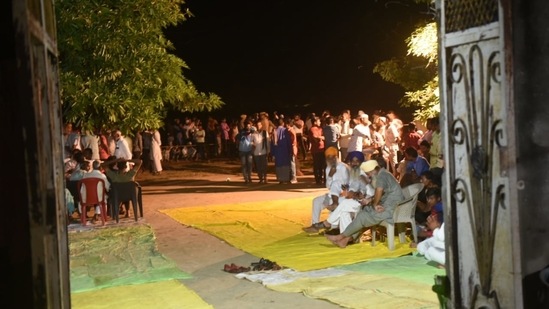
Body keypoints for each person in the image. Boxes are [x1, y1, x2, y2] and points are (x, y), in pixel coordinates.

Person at [325, 159, 405, 247]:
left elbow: (379, 191)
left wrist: (374, 204)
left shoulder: (381, 177)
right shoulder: (383, 173)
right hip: (390, 205)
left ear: (372, 170)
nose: (368, 176)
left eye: (368, 174)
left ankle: (341, 236)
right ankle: (346, 239)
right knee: (364, 210)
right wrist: (370, 200)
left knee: (363, 217)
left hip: (392, 208)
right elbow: (381, 193)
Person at [303, 151, 372, 234]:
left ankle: (328, 225)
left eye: (357, 161)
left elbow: (365, 192)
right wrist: (331, 177)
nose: (354, 163)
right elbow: (333, 186)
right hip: (342, 194)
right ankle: (338, 231)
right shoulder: (352, 172)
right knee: (335, 188)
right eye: (353, 161)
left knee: (342, 202)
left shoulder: (358, 173)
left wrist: (353, 193)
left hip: (360, 201)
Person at [302, 147, 349, 232]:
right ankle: (315, 225)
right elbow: (328, 186)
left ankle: (333, 228)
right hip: (331, 194)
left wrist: (341, 191)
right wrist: (330, 175)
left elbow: (347, 184)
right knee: (316, 201)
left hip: (343, 195)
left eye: (332, 158)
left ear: (336, 157)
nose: (330, 160)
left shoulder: (343, 167)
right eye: (328, 158)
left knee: (334, 200)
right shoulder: (328, 168)